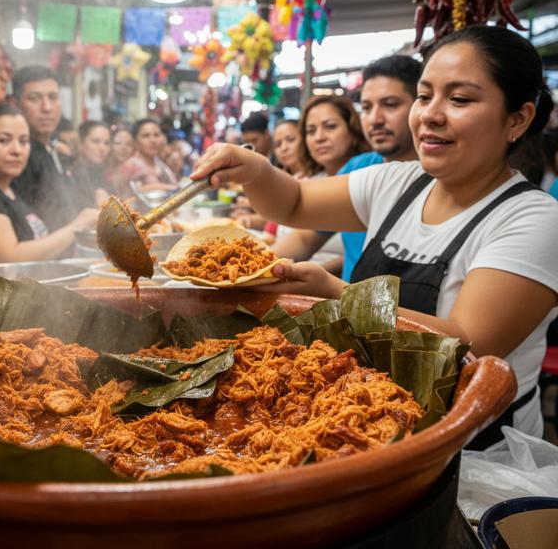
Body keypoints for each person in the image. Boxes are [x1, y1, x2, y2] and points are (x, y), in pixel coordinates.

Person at [191, 25, 558, 448]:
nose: (430, 114)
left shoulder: (532, 217)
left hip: (474, 452)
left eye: (459, 99)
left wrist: (335, 293)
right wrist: (252, 168)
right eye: (424, 95)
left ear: (518, 118)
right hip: (369, 426)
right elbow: (291, 203)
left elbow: (467, 343)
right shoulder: (395, 182)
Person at [273, 55, 422, 281]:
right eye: (367, 107)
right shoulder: (358, 169)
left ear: (421, 105)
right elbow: (305, 237)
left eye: (390, 105)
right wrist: (254, 269)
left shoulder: (441, 178)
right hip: (346, 310)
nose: (375, 119)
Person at [0, 103, 98, 269]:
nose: (17, 150)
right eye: (3, 140)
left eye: (24, 141)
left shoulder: (8, 187)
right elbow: (11, 258)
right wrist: (77, 226)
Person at [11, 65, 80, 230]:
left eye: (53, 97)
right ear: (16, 104)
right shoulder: (17, 157)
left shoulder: (56, 149)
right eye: (34, 98)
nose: (46, 108)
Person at [112, 118, 177, 193]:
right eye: (146, 136)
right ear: (136, 141)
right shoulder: (130, 165)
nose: (153, 140)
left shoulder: (159, 163)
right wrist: (165, 187)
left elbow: (174, 185)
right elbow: (117, 191)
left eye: (156, 135)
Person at [73, 120, 111, 208]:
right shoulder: (69, 172)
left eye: (106, 143)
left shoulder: (103, 173)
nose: (102, 148)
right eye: (95, 141)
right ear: (80, 144)